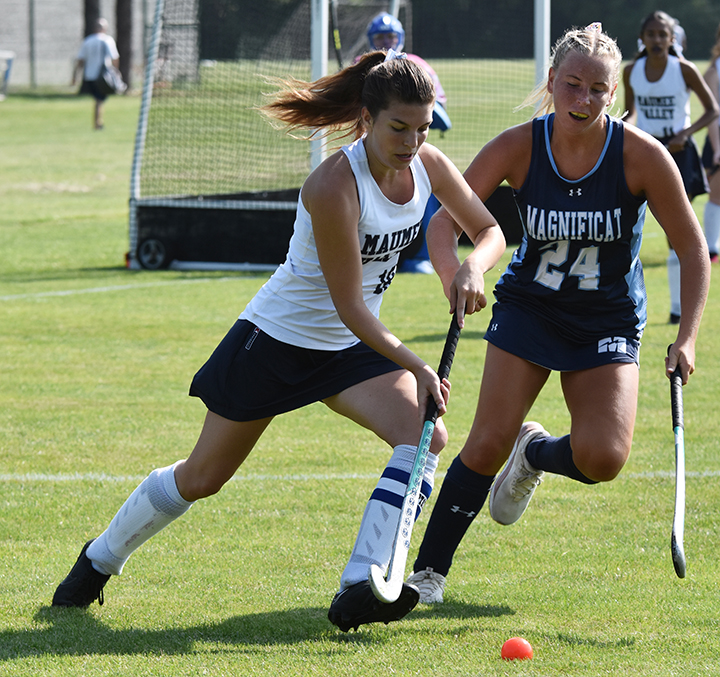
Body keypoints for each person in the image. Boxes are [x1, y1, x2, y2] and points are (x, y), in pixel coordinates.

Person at [51, 50, 506, 632]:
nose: (412, 142)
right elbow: (347, 303)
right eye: (399, 127)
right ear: (367, 118)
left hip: (352, 348)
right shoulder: (333, 185)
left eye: (422, 128)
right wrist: (416, 364)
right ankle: (99, 559)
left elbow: (488, 228)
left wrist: (474, 267)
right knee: (203, 477)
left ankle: (362, 584)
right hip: (278, 340)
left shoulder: (430, 165)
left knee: (425, 434)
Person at [405, 23, 710, 605]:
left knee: (603, 458)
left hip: (608, 321)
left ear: (613, 94)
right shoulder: (519, 145)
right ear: (551, 82)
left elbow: (693, 248)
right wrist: (457, 273)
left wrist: (688, 337)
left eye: (598, 89)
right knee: (486, 440)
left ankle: (535, 452)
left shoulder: (641, 156)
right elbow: (442, 221)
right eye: (572, 85)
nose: (583, 100)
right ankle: (427, 575)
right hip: (530, 310)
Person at [623, 11, 718, 324]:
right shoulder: (632, 71)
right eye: (651, 34)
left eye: (663, 35)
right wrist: (624, 128)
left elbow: (712, 110)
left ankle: (680, 309)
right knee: (629, 221)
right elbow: (633, 112)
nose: (657, 40)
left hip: (678, 154)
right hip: (646, 152)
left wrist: (685, 134)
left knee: (678, 232)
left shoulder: (684, 70)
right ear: (643, 38)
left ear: (673, 39)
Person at [365, 12, 452, 274]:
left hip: (411, 165)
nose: (387, 41)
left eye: (391, 36)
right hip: (371, 161)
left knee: (428, 200)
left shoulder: (417, 65)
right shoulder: (363, 65)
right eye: (381, 37)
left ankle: (423, 256)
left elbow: (486, 227)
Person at [72, 18, 121, 130]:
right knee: (99, 100)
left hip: (90, 75)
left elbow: (80, 61)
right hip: (103, 77)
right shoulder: (108, 40)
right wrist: (116, 72)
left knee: (98, 99)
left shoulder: (87, 41)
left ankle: (98, 122)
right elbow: (114, 58)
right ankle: (97, 123)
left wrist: (75, 76)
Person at [701, 23, 720, 263]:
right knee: (716, 195)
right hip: (718, 141)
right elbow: (712, 114)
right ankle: (711, 248)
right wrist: (717, 149)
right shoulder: (714, 71)